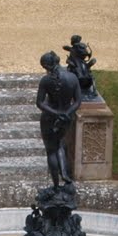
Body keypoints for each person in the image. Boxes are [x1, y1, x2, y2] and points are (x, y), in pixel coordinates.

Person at [34, 50, 82, 189]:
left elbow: (40, 103)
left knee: (51, 150)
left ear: (48, 65)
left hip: (49, 118)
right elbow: (78, 101)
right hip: (67, 117)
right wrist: (66, 114)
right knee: (60, 145)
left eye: (44, 67)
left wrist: (55, 114)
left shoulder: (46, 80)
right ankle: (65, 176)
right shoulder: (72, 78)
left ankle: (55, 185)